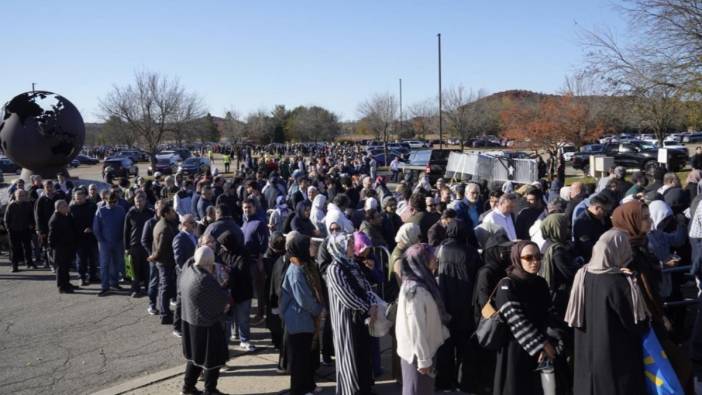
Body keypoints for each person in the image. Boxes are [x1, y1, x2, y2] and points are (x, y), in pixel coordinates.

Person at [564, 229, 648, 395]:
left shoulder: (581, 276)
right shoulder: (619, 283)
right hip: (616, 364)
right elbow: (637, 324)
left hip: (586, 361)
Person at [493, 240, 556, 395]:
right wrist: (541, 345)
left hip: (542, 346)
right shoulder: (507, 284)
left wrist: (550, 341)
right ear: (517, 259)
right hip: (516, 348)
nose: (535, 262)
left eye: (538, 257)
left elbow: (549, 312)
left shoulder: (540, 282)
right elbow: (515, 319)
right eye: (528, 258)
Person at [396, 243, 451, 395]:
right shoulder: (415, 290)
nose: (435, 259)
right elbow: (416, 328)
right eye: (431, 256)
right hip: (417, 355)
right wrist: (423, 359)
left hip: (425, 351)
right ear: (421, 261)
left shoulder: (422, 282)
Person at [326, 232, 376, 395]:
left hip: (362, 318)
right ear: (339, 247)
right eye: (348, 245)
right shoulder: (334, 269)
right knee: (351, 355)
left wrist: (372, 302)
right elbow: (347, 296)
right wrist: (367, 307)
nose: (351, 247)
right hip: (346, 320)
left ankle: (365, 388)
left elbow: (365, 285)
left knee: (363, 355)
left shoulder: (352, 264)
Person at [434, 221, 481, 392]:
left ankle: (444, 381)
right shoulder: (470, 252)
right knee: (464, 346)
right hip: (464, 303)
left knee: (445, 345)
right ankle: (463, 381)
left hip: (444, 302)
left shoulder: (441, 250)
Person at [179, 246, 230, 395]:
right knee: (211, 361)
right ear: (209, 261)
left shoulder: (188, 271)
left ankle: (187, 388)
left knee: (194, 359)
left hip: (189, 321)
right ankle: (210, 390)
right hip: (206, 325)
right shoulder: (205, 279)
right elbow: (223, 301)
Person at [280, 232, 324, 395]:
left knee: (307, 355)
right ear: (301, 248)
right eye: (310, 245)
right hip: (299, 320)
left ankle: (308, 385)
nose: (314, 247)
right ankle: (298, 389)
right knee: (300, 358)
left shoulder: (304, 265)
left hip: (304, 319)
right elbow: (304, 299)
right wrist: (319, 310)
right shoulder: (296, 271)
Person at [148, 203, 179, 324]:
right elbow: (160, 249)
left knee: (163, 287)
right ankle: (164, 314)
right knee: (165, 287)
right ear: (165, 213)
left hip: (163, 261)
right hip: (164, 262)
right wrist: (153, 257)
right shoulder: (165, 228)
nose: (174, 214)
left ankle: (164, 310)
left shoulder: (161, 223)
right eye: (172, 212)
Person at [93, 191, 127, 297]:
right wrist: (101, 240)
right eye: (110, 201)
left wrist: (123, 240)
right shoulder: (101, 211)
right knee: (104, 265)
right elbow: (96, 228)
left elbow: (125, 226)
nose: (112, 203)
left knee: (116, 263)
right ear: (106, 200)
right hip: (104, 243)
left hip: (118, 242)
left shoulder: (121, 210)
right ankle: (105, 286)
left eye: (114, 201)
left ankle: (114, 283)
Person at [123, 192, 154, 298]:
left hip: (147, 245)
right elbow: (126, 232)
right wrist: (126, 248)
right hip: (134, 245)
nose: (138, 203)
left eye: (141, 201)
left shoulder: (150, 213)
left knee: (147, 268)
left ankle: (148, 288)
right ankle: (135, 289)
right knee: (134, 269)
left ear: (145, 201)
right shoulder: (130, 213)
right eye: (136, 201)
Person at [172, 214, 198, 337]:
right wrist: (187, 271)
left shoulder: (193, 236)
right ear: (184, 224)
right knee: (181, 300)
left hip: (194, 272)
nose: (194, 224)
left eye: (194, 222)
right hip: (184, 274)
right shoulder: (179, 238)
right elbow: (179, 260)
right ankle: (177, 327)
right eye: (192, 223)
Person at [48, 200, 79, 293]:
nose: (67, 207)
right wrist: (54, 248)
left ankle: (67, 283)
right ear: (58, 208)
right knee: (61, 268)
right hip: (60, 248)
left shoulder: (65, 216)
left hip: (67, 246)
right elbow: (51, 237)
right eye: (65, 206)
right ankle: (62, 287)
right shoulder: (55, 219)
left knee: (66, 267)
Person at [573, 194, 611, 262]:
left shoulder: (600, 217)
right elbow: (587, 247)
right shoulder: (582, 223)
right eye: (605, 211)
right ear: (597, 208)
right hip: (592, 260)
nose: (606, 214)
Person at [5, 190, 36, 272]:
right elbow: (6, 218)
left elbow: (32, 216)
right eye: (19, 195)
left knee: (27, 247)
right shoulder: (11, 205)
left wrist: (32, 225)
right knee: (14, 249)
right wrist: (8, 228)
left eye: (22, 195)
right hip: (13, 230)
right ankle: (14, 266)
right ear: (15, 196)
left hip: (25, 229)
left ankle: (29, 263)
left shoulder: (28, 205)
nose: (21, 197)